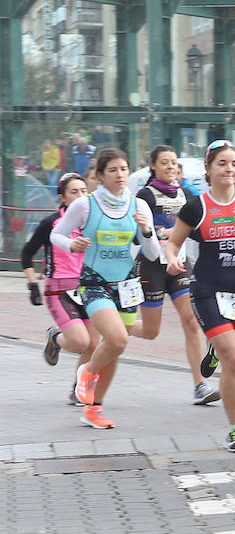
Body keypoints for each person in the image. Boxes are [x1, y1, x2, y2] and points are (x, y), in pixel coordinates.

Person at [163, 141, 235, 452]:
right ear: (209, 170)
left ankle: (214, 349)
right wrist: (173, 258)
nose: (229, 169)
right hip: (209, 291)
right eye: (222, 163)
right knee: (234, 360)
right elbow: (173, 243)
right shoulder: (196, 207)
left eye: (234, 163)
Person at [50, 148, 160, 429]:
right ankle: (88, 373)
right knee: (117, 340)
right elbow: (57, 234)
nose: (120, 174)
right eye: (112, 170)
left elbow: (152, 253)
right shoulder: (85, 205)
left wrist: (146, 232)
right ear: (99, 176)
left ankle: (94, 408)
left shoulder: (139, 206)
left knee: (114, 347)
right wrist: (72, 244)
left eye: (123, 169)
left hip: (126, 286)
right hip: (94, 282)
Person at [136, 145, 217, 405]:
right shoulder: (145, 195)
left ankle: (200, 385)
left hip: (179, 265)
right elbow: (142, 235)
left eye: (174, 163)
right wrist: (167, 233)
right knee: (151, 331)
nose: (171, 167)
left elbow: (198, 226)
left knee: (191, 321)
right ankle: (116, 326)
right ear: (154, 167)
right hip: (152, 265)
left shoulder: (186, 195)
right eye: (165, 163)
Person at [24, 173, 93, 389]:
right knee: (80, 342)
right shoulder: (51, 224)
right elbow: (27, 253)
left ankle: (78, 389)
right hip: (58, 289)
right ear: (62, 198)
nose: (81, 196)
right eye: (74, 192)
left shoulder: (93, 222)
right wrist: (32, 284)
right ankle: (55, 338)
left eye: (84, 191)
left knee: (94, 343)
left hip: (88, 288)